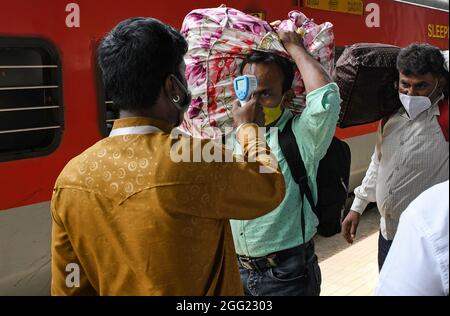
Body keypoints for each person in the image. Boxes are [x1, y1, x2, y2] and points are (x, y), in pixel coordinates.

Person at [50, 17, 286, 296]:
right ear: (173, 88)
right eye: (184, 77)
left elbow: (70, 285)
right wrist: (249, 129)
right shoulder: (196, 156)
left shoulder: (71, 178)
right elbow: (268, 185)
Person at [228, 31, 341, 296]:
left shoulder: (301, 135)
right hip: (236, 271)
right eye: (248, 93)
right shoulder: (233, 135)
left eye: (265, 94)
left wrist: (293, 46)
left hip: (287, 276)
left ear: (286, 97)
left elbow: (327, 98)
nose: (252, 104)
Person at [342, 43, 449, 271]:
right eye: (405, 85)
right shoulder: (390, 118)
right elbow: (378, 162)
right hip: (387, 235)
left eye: (421, 86)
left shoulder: (445, 120)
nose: (410, 93)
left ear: (440, 83)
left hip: (428, 243)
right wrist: (357, 207)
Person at [375, 180, 449, 296]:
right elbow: (376, 168)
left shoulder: (428, 216)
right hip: (388, 233)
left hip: (419, 237)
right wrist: (357, 207)